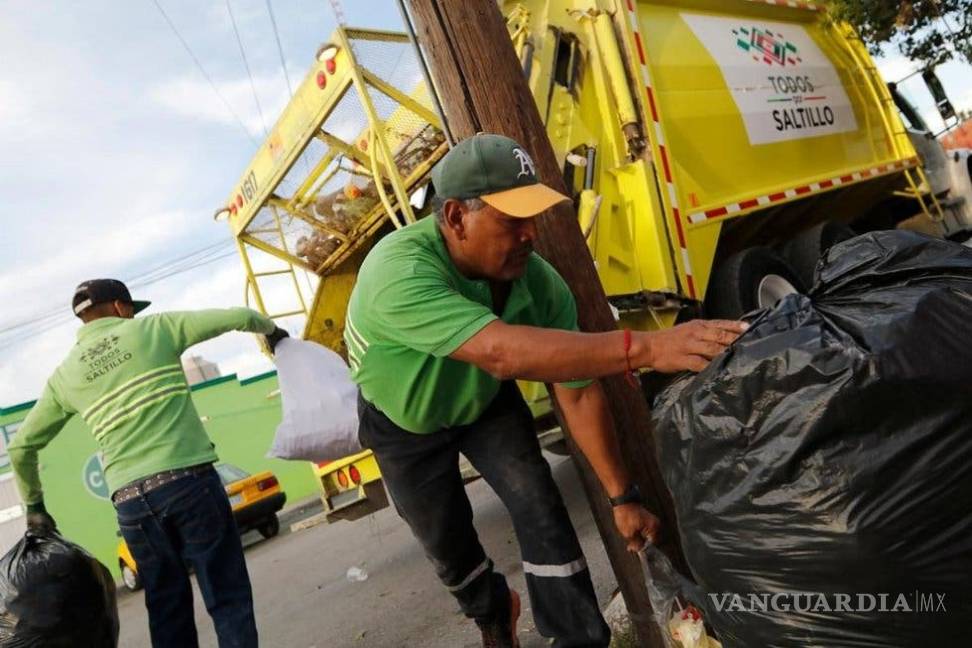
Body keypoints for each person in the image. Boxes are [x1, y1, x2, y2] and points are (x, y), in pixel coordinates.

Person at [344, 133, 746, 647]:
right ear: (455, 217)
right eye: (512, 221)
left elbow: (577, 393)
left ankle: (577, 638)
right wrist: (644, 349)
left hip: (484, 401)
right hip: (404, 419)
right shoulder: (396, 272)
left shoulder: (538, 283)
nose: (531, 234)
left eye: (533, 217)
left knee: (539, 506)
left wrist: (623, 497)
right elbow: (501, 352)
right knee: (447, 545)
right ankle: (492, 610)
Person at [9, 278, 289, 648]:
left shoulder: (65, 376)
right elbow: (236, 316)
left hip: (131, 504)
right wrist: (273, 331)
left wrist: (35, 507)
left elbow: (21, 447)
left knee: (166, 608)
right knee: (227, 596)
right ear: (121, 307)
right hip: (188, 484)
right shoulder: (154, 329)